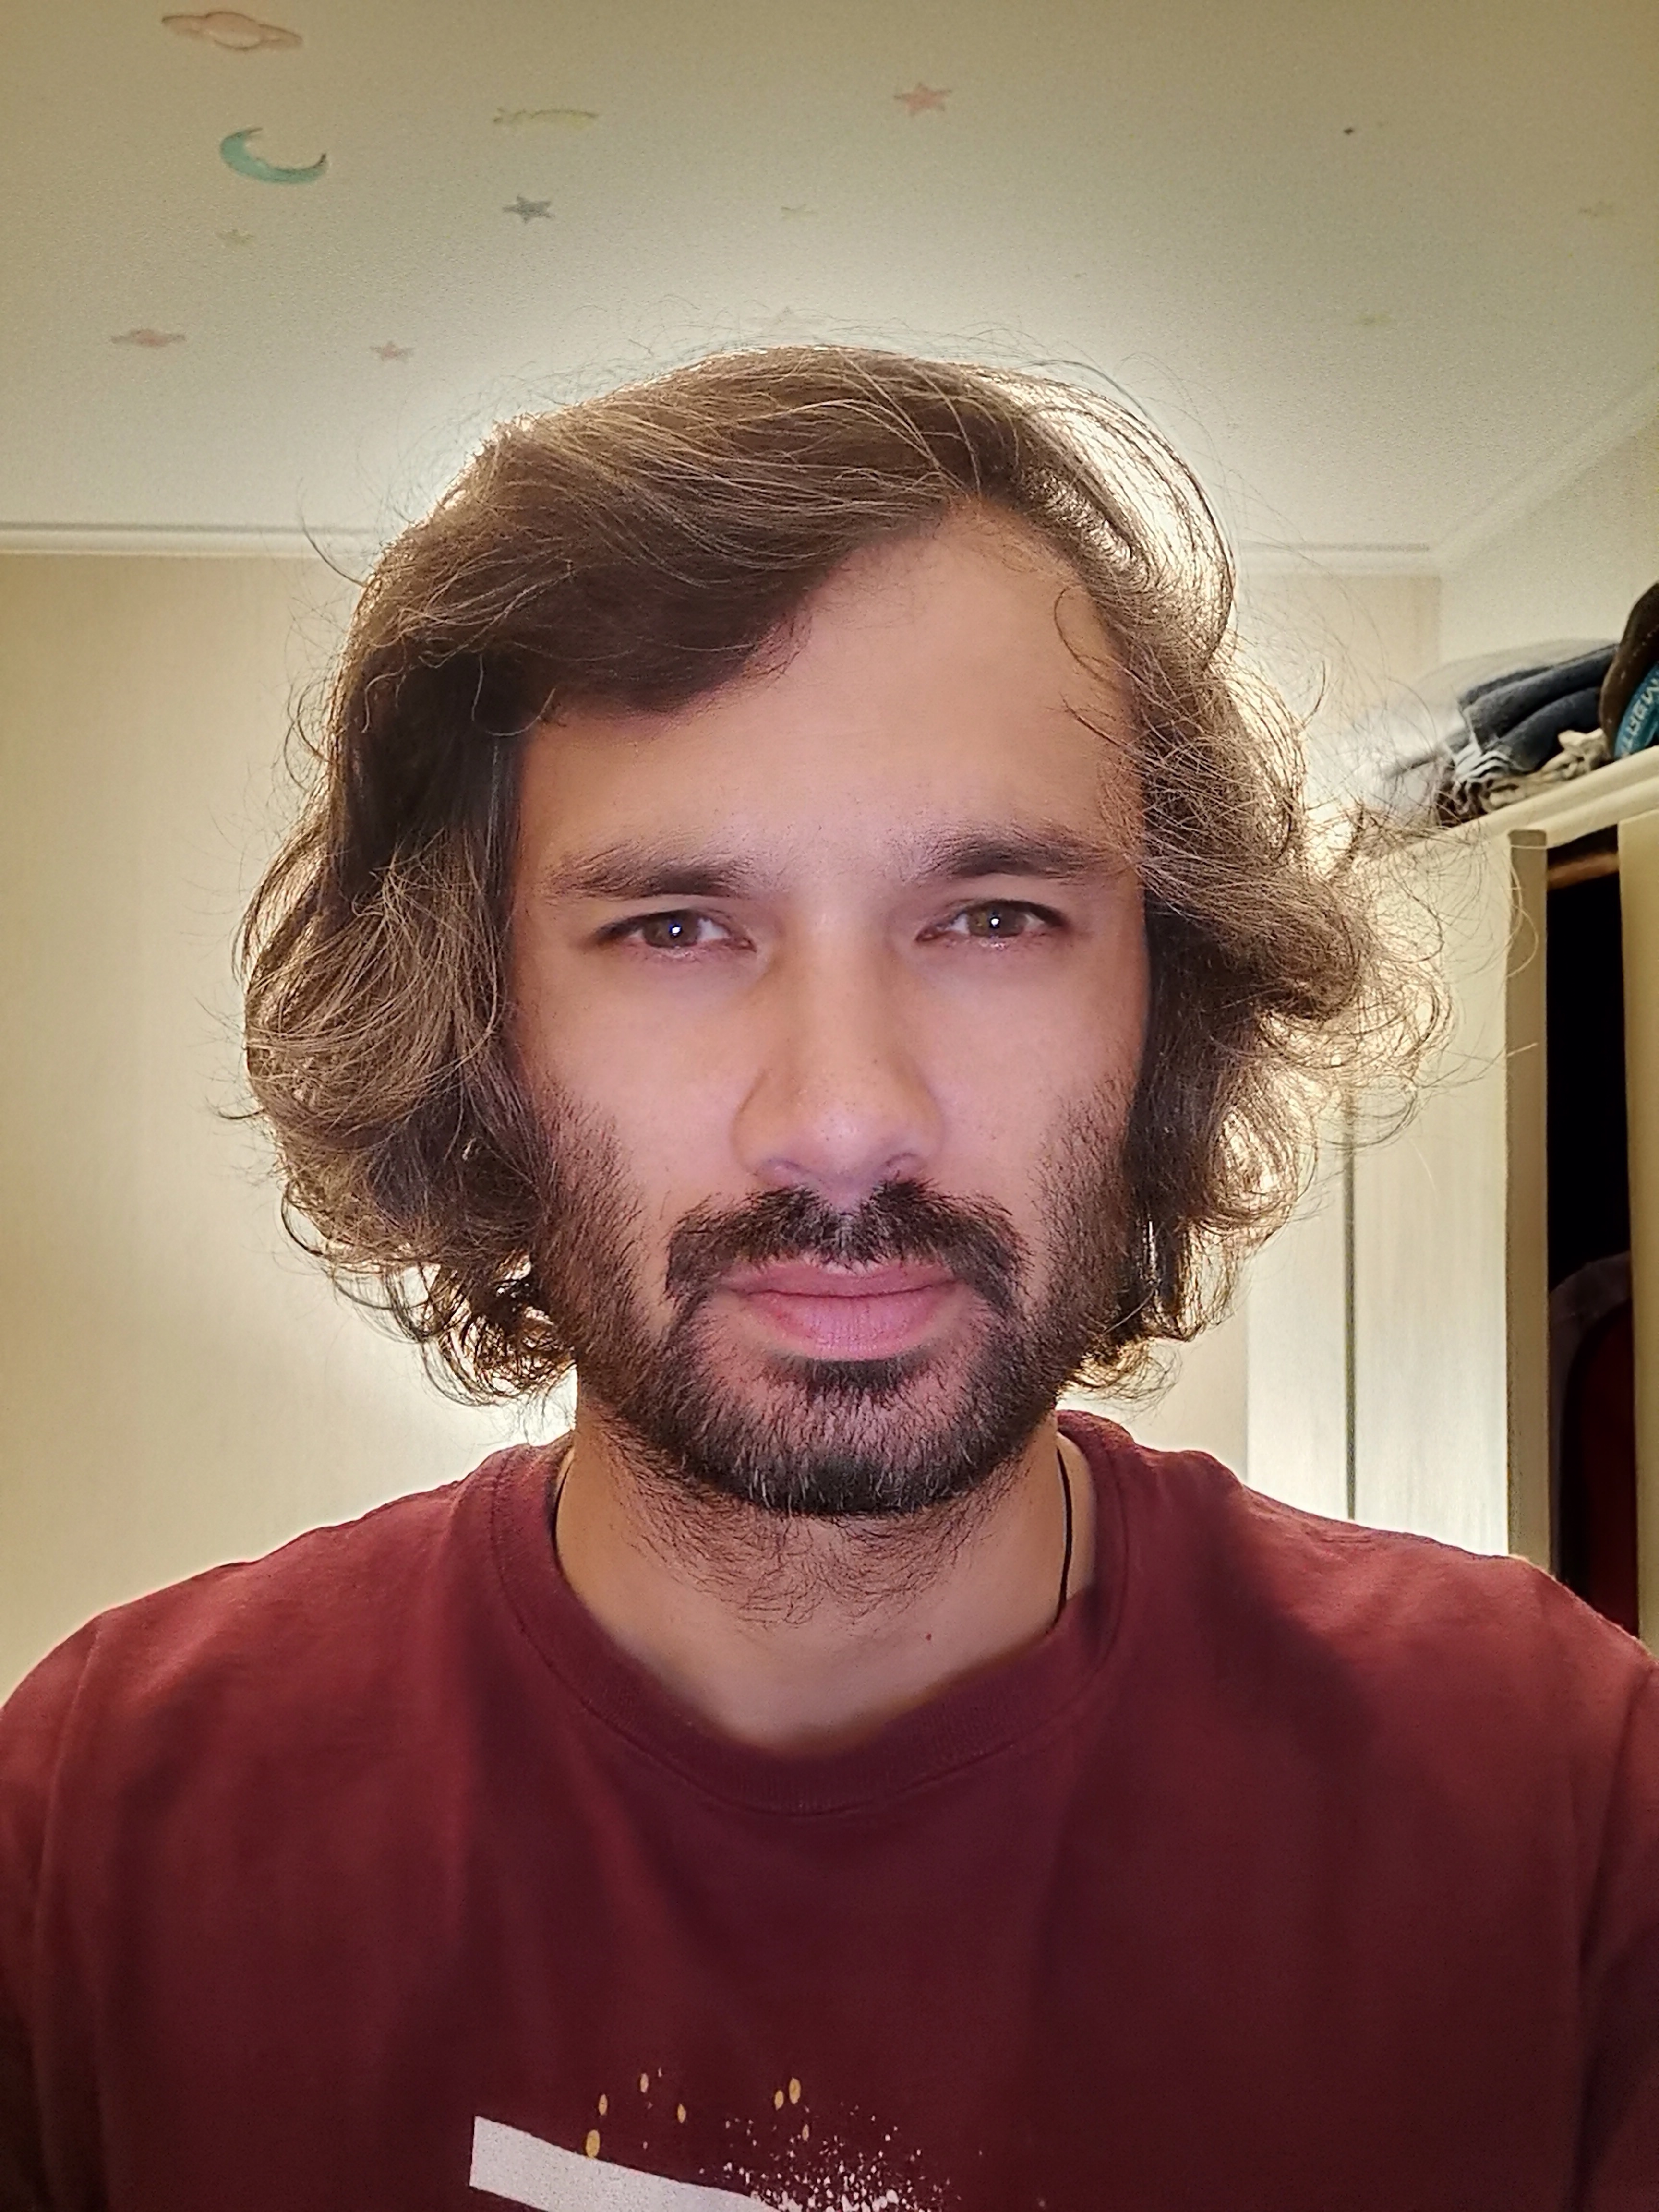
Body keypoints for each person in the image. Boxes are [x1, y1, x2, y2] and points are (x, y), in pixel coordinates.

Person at [1, 346, 1655, 2212]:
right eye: (677, 927)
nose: (848, 1118)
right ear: (478, 1029)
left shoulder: (1561, 1808)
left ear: (1164, 1004)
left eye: (994, 918)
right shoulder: (95, 1843)